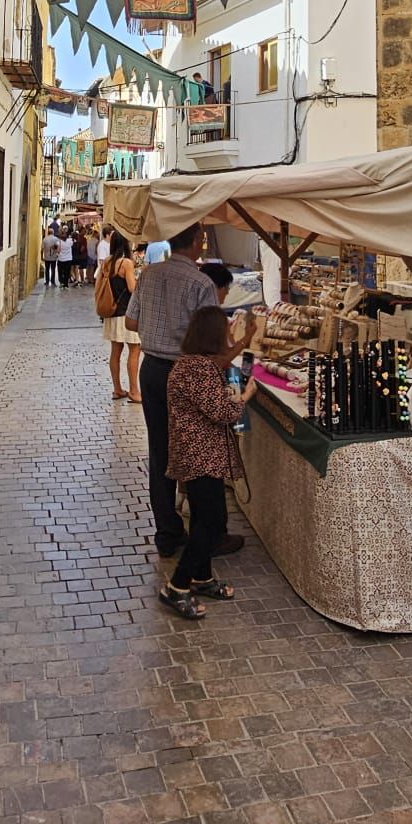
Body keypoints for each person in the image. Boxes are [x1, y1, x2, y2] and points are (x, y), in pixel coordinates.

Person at [128, 223, 249, 559]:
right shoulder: (200, 282)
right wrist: (242, 342)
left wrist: (160, 325)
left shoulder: (150, 274)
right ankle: (210, 534)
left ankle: (167, 532)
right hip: (188, 370)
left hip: (152, 369)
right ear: (197, 241)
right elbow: (212, 341)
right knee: (199, 453)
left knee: (161, 451)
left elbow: (131, 322)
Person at [158, 304, 255, 620]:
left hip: (200, 455)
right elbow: (224, 413)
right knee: (212, 522)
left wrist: (246, 341)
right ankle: (177, 585)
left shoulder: (193, 364)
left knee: (202, 517)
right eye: (226, 332)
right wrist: (246, 394)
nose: (229, 337)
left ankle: (202, 577)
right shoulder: (197, 371)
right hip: (200, 456)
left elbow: (222, 367)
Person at [101, 232, 142, 402]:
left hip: (111, 313)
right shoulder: (126, 263)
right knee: (134, 350)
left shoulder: (107, 262)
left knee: (115, 352)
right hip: (127, 312)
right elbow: (132, 288)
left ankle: (117, 389)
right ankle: (134, 391)